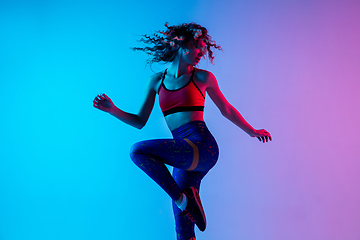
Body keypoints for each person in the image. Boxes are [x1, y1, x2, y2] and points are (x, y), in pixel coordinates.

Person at [93, 22, 272, 240]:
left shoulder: (203, 78)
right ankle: (187, 201)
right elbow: (140, 121)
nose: (201, 53)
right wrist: (112, 110)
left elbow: (226, 109)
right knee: (183, 230)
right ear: (181, 43)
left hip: (202, 146)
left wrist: (252, 131)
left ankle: (184, 200)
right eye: (197, 46)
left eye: (204, 48)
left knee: (138, 151)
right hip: (183, 154)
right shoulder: (156, 81)